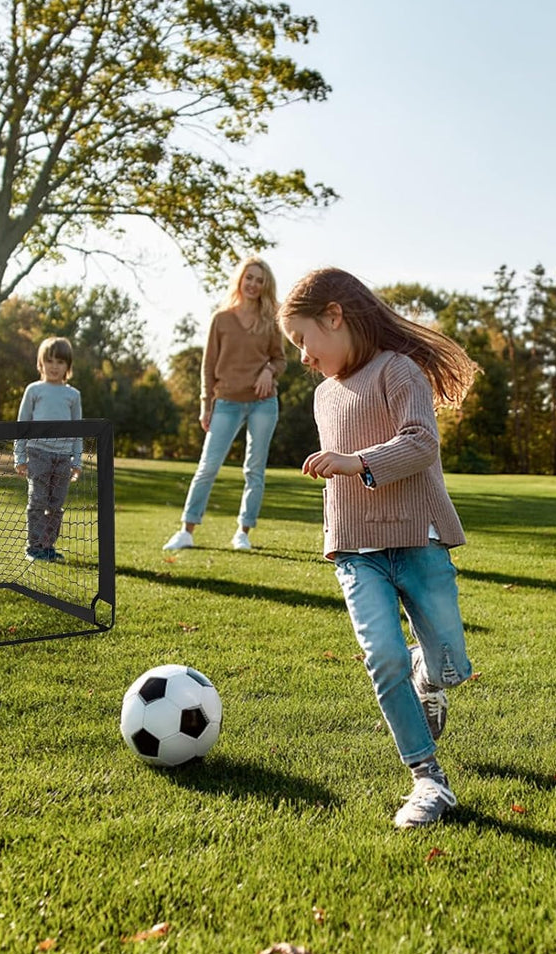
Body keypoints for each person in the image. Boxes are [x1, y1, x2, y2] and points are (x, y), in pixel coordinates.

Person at [278, 267, 478, 829]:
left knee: (449, 664)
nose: (302, 357)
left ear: (335, 317)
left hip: (418, 539)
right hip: (356, 550)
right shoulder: (322, 397)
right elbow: (338, 472)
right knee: (382, 656)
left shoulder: (399, 370)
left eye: (302, 340)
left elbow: (420, 443)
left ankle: (429, 679)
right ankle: (428, 779)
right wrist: (335, 534)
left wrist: (357, 461)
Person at [163, 256, 286, 552]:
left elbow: (280, 359)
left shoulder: (271, 320)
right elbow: (208, 367)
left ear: (265, 285)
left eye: (260, 280)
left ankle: (243, 532)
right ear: (240, 280)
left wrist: (269, 371)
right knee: (207, 467)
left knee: (254, 470)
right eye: (249, 278)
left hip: (262, 403)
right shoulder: (221, 319)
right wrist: (206, 404)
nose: (254, 284)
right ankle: (186, 531)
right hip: (226, 403)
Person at [14, 337, 83, 563]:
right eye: (49, 360)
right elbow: (22, 424)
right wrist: (20, 456)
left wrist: (77, 461)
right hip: (38, 454)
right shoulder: (34, 390)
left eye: (60, 362)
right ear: (41, 363)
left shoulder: (73, 395)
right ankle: (34, 548)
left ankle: (48, 547)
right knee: (38, 501)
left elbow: (77, 430)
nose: (54, 366)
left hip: (63, 458)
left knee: (56, 505)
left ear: (68, 366)